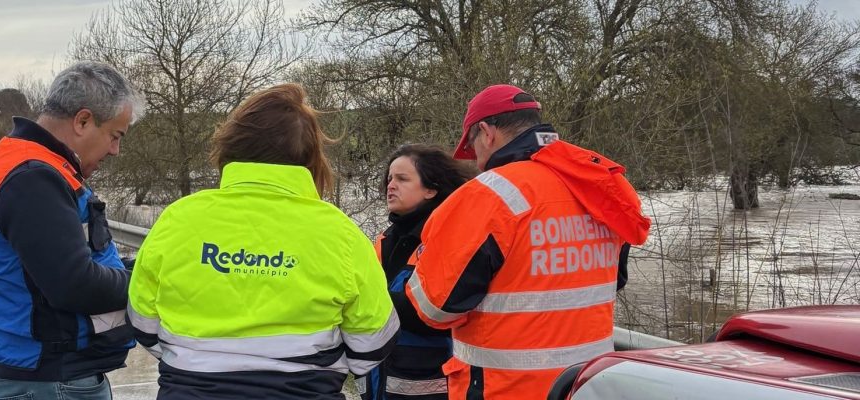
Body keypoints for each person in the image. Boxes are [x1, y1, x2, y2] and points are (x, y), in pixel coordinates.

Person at [128, 83, 399, 400]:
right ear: (311, 157)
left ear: (230, 146)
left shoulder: (179, 218)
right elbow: (373, 343)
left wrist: (194, 363)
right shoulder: (340, 232)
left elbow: (142, 323)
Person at [406, 84, 650, 400]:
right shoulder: (603, 186)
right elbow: (605, 283)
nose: (477, 160)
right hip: (586, 388)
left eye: (473, 146)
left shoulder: (485, 196)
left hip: (505, 389)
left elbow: (435, 309)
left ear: (486, 132)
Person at [0, 61, 144, 400]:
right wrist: (151, 280)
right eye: (114, 135)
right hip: (51, 380)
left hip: (43, 375)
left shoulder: (25, 162)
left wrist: (132, 268)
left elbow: (65, 265)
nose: (115, 150)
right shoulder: (34, 178)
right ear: (82, 121)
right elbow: (74, 284)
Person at [356, 144, 473, 400]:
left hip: (428, 384)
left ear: (431, 189)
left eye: (402, 179)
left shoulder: (446, 239)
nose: (391, 185)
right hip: (377, 385)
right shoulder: (384, 241)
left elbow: (432, 314)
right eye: (389, 179)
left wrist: (365, 300)